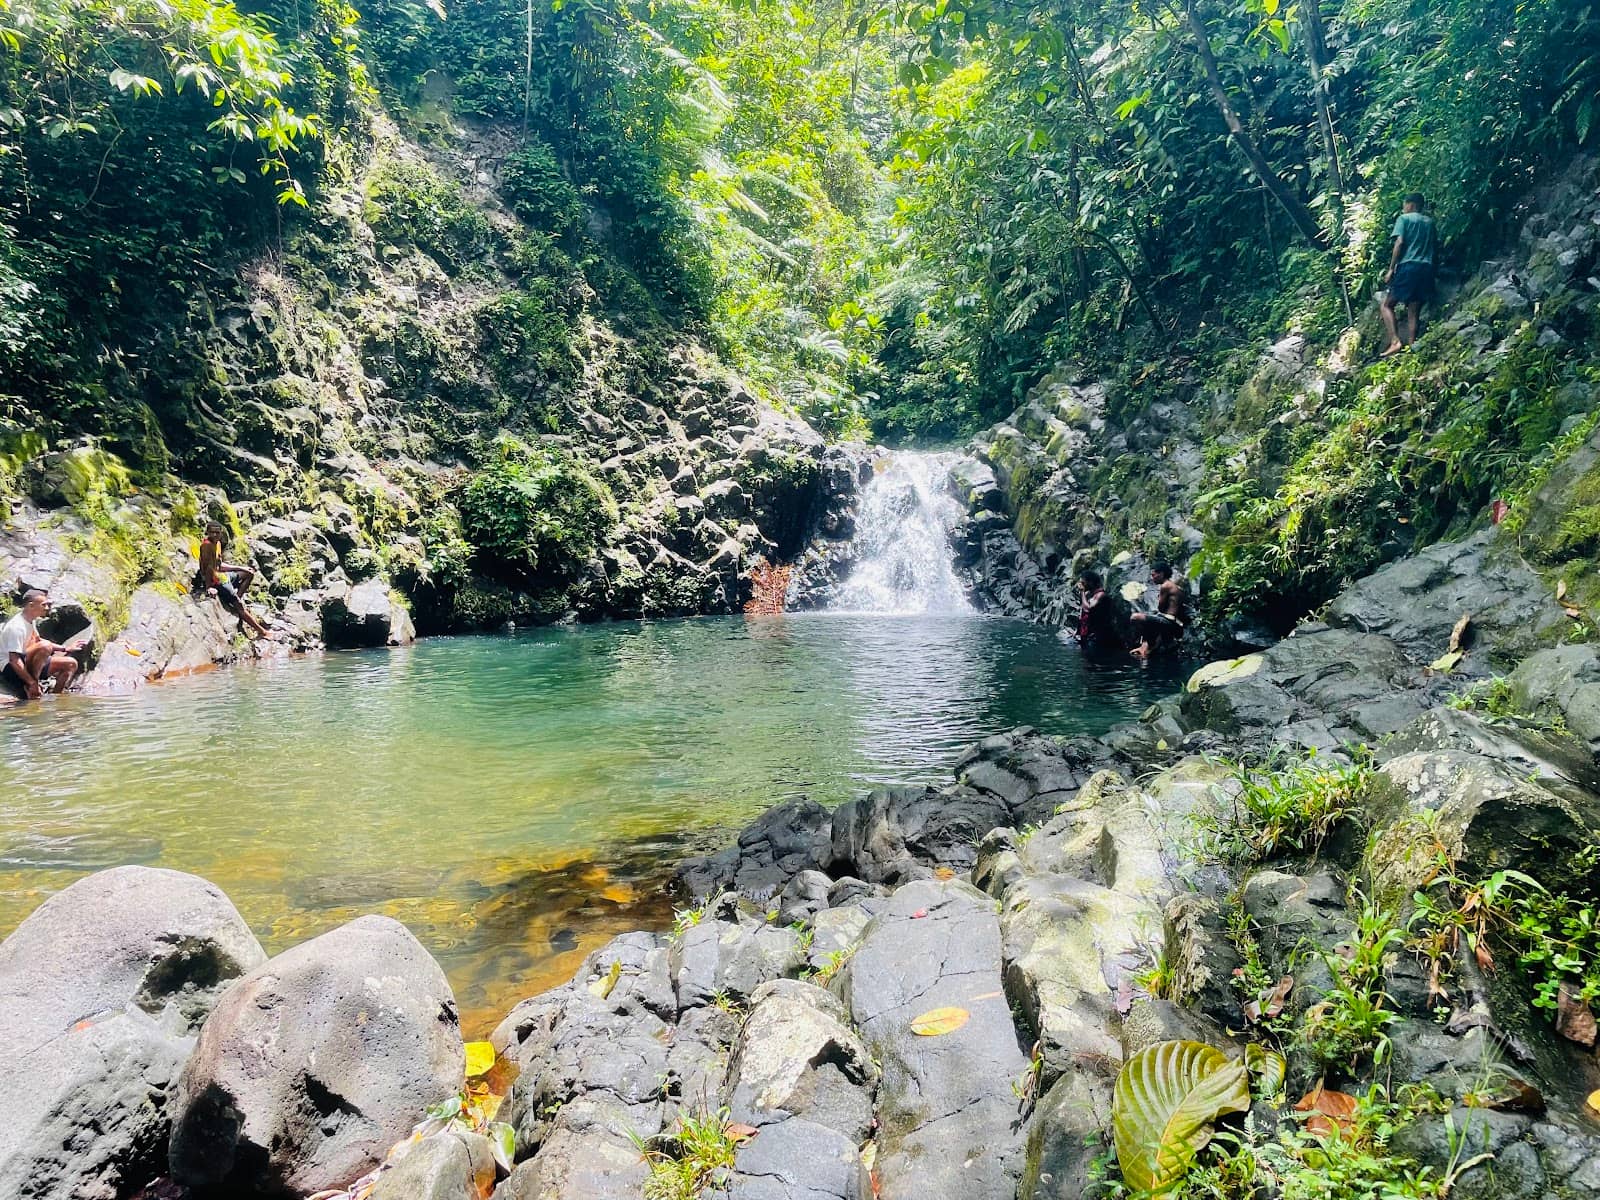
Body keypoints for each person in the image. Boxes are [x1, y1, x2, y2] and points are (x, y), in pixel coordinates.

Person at [1381, 192, 1437, 357]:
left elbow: (1399, 243)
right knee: (1414, 309)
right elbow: (1435, 248)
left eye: (1404, 205)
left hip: (1408, 267)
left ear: (1410, 204)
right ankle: (1412, 347)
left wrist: (1391, 269)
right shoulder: (1429, 222)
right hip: (1426, 268)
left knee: (1387, 305)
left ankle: (1395, 341)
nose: (1403, 208)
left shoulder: (1404, 219)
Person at [1, 589, 85, 700]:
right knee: (45, 646)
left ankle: (55, 699)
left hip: (28, 662)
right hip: (11, 669)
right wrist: (32, 683)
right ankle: (32, 685)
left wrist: (66, 648)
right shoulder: (16, 627)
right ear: (31, 606)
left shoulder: (31, 620)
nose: (47, 608)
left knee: (71, 664)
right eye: (43, 605)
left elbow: (37, 640)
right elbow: (14, 660)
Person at [195, 522, 271, 638]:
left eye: (217, 532)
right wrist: (209, 587)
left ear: (221, 533)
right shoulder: (207, 546)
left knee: (248, 574)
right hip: (216, 581)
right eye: (212, 532)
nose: (215, 534)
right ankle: (262, 632)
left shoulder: (218, 544)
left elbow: (219, 566)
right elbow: (207, 569)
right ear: (208, 532)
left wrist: (241, 568)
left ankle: (236, 599)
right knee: (240, 606)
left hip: (222, 575)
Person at [1130, 560, 1188, 660]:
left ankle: (1150, 645)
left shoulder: (1166, 586)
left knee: (1135, 617)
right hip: (1173, 622)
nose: (1152, 578)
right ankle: (1147, 645)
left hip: (1170, 622)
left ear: (1161, 573)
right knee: (1149, 616)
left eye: (1154, 575)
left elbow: (1160, 608)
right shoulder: (1173, 586)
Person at [1075, 570, 1122, 652]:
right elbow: (1082, 614)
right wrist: (1077, 632)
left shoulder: (1100, 595)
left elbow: (1088, 609)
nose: (1081, 585)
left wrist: (1082, 592)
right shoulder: (1088, 594)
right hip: (1088, 635)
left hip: (1100, 637)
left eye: (1083, 583)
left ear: (1091, 582)